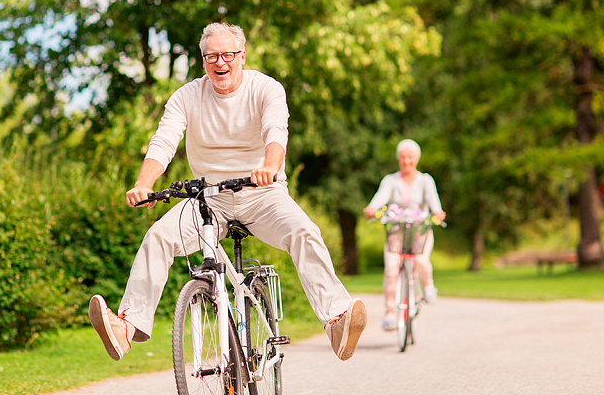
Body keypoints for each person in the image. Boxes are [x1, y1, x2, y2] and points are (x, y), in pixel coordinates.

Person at [88, 22, 367, 362]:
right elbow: (164, 140)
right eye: (211, 56)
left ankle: (336, 321)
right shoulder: (188, 95)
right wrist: (144, 183)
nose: (220, 62)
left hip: (262, 193)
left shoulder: (265, 88)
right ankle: (126, 328)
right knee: (158, 236)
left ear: (242, 57)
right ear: (203, 60)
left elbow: (276, 131)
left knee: (304, 231)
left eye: (227, 55)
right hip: (208, 198)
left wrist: (270, 166)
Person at [363, 139, 445, 332]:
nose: (406, 161)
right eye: (403, 157)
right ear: (398, 159)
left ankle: (428, 287)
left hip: (420, 232)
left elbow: (435, 205)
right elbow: (379, 198)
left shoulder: (426, 180)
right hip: (397, 233)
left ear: (416, 159)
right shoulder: (391, 181)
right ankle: (390, 314)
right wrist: (372, 208)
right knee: (391, 269)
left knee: (421, 260)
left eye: (410, 158)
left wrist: (438, 213)